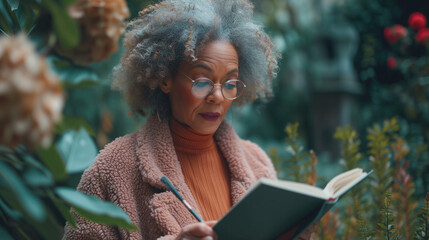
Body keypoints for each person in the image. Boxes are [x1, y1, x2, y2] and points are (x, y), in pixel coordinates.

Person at [63, 0, 313, 239]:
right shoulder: (112, 169)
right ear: (165, 78)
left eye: (230, 83)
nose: (217, 96)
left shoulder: (257, 164)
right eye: (202, 81)